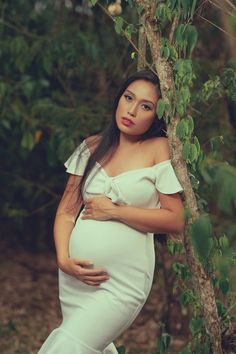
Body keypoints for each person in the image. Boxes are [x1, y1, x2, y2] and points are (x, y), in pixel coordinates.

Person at [38, 70, 185, 354]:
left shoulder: (158, 148)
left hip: (121, 283)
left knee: (65, 348)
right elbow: (67, 212)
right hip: (75, 279)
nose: (131, 110)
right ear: (118, 98)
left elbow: (176, 220)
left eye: (145, 106)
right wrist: (63, 259)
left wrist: (116, 210)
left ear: (157, 116)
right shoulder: (91, 146)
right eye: (128, 98)